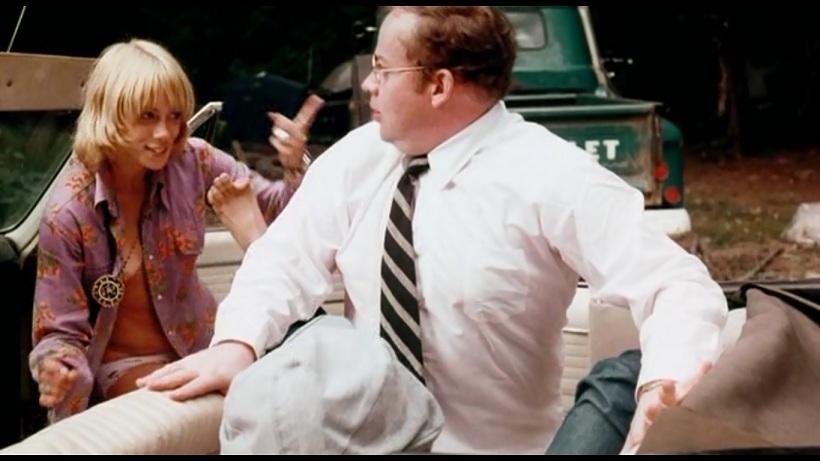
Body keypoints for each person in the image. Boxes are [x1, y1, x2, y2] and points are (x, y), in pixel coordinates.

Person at [139, 7, 728, 454]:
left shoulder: (550, 175)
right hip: (367, 447)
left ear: (438, 85)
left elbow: (676, 284)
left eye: (381, 69)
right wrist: (236, 345)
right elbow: (283, 262)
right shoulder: (357, 159)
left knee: (621, 376)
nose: (368, 85)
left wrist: (662, 386)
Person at [30, 38, 323, 423]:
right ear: (110, 115)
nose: (165, 133)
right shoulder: (68, 212)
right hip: (124, 365)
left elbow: (282, 212)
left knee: (291, 402)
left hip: (207, 347)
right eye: (148, 116)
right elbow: (59, 332)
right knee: (202, 414)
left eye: (174, 116)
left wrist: (294, 164)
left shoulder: (194, 161)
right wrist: (57, 368)